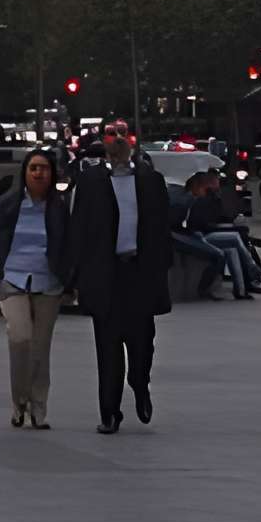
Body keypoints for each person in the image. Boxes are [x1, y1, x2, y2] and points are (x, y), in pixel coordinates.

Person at [68, 120, 173, 435]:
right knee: (108, 348)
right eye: (111, 135)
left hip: (139, 275)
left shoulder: (151, 181)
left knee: (142, 345)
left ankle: (140, 385)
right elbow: (79, 229)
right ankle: (109, 412)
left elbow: (162, 228)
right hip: (106, 275)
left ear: (132, 142)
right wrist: (75, 276)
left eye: (122, 135)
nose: (117, 140)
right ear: (103, 142)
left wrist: (161, 268)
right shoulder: (90, 182)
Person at [0, 148, 67, 429]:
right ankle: (19, 402)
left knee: (40, 347)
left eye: (44, 169)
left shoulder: (59, 206)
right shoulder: (8, 204)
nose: (39, 174)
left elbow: (70, 243)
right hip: (12, 278)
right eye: (33, 168)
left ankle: (38, 407)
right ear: (24, 173)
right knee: (20, 338)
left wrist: (70, 279)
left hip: (48, 281)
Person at [184, 167, 261, 299]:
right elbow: (201, 224)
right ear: (209, 183)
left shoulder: (211, 197)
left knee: (232, 250)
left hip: (204, 233)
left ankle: (241, 290)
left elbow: (217, 217)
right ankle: (253, 269)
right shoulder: (201, 200)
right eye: (216, 180)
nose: (219, 182)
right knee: (236, 237)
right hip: (201, 236)